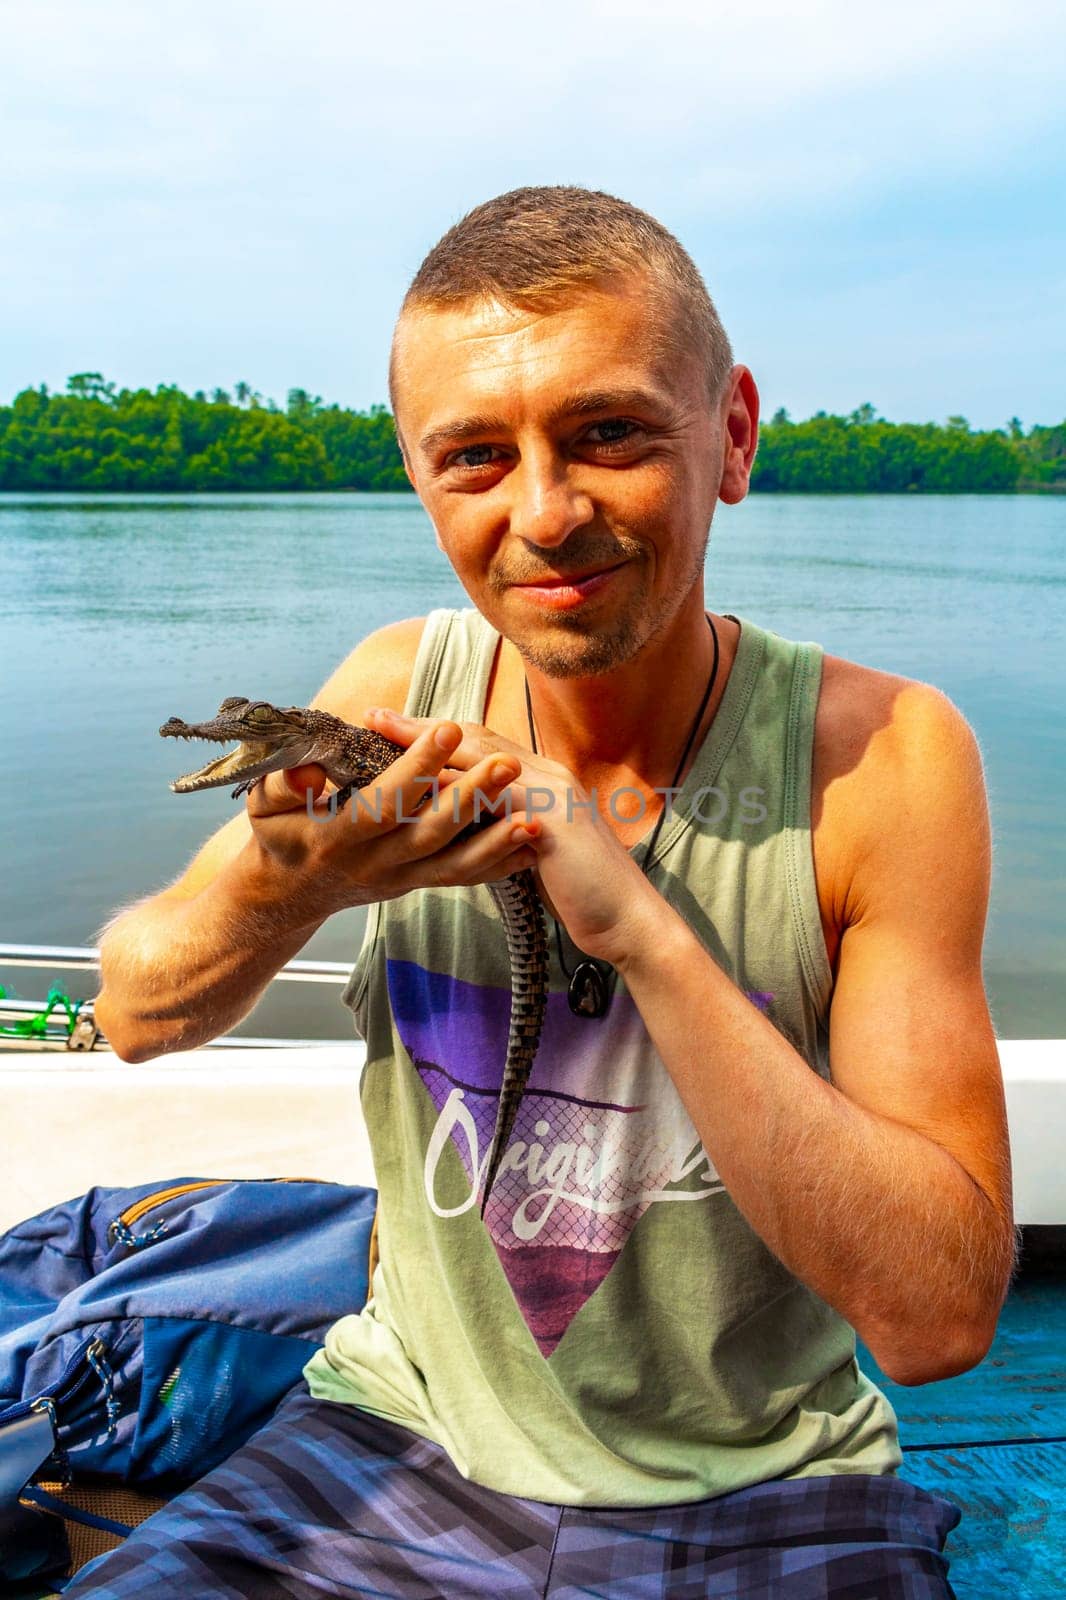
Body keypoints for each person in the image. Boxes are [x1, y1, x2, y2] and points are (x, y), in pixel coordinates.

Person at [75, 187, 1016, 1598]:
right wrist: (286, 880)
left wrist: (634, 926)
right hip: (398, 1429)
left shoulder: (881, 760)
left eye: (610, 434)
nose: (545, 514)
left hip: (765, 1484)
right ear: (418, 477)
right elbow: (137, 1012)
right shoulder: (400, 693)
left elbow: (936, 1318)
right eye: (473, 457)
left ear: (733, 436)